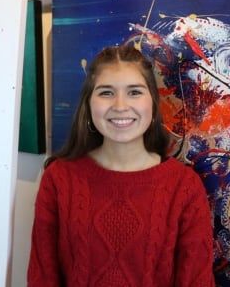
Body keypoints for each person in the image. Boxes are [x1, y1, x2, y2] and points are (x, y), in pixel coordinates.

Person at [27, 45, 214, 286]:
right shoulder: (59, 179)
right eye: (106, 93)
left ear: (153, 103)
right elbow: (42, 277)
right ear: (89, 103)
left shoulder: (184, 187)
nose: (120, 106)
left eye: (134, 92)